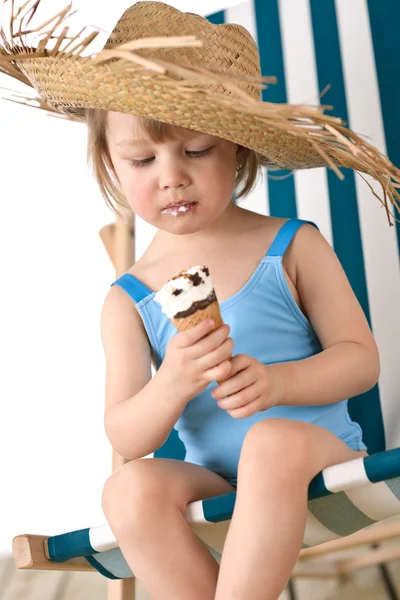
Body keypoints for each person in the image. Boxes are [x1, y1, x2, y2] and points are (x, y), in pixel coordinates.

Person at [1, 1, 393, 598]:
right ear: (111, 160)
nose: (170, 176)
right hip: (218, 484)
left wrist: (279, 385)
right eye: (142, 159)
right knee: (126, 489)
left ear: (237, 148)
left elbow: (361, 361)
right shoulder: (130, 300)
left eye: (197, 150)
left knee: (269, 440)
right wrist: (174, 381)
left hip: (319, 462)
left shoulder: (291, 246)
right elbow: (128, 436)